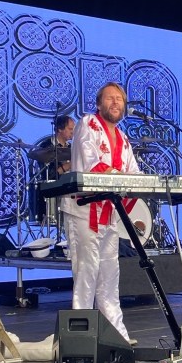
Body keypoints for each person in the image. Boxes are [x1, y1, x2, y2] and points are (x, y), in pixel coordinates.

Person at [60, 82, 141, 344]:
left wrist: (140, 182)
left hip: (109, 214)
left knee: (109, 279)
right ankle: (80, 340)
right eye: (110, 98)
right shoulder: (88, 124)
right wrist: (121, 178)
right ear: (98, 103)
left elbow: (134, 173)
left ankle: (117, 336)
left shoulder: (123, 138)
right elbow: (92, 163)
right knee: (86, 276)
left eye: (120, 99)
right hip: (85, 212)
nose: (116, 102)